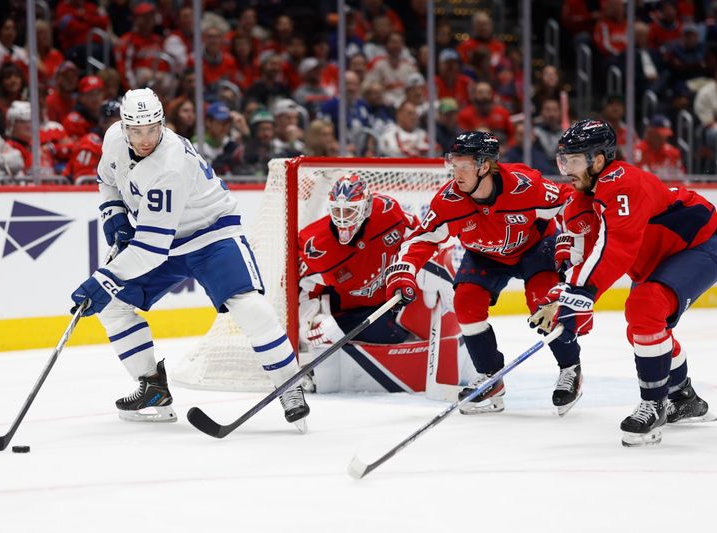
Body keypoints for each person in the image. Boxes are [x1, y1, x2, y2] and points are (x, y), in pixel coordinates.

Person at [69, 88, 310, 429]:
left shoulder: (169, 164)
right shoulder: (113, 139)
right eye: (136, 130)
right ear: (123, 127)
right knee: (112, 307)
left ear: (162, 124)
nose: (144, 138)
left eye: (152, 129)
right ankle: (152, 388)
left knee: (250, 307)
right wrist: (114, 215)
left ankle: (290, 385)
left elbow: (150, 249)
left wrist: (104, 279)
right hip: (163, 239)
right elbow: (106, 180)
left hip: (211, 234)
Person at [530, 119, 717, 447]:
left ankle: (654, 404)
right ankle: (684, 397)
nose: (566, 169)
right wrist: (561, 298)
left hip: (695, 244)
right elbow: (581, 258)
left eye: (574, 160)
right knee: (642, 329)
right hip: (655, 261)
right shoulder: (578, 203)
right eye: (564, 161)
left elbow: (616, 247)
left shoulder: (623, 182)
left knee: (644, 307)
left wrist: (582, 291)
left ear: (600, 159)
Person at [386, 131, 582, 415]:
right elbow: (421, 239)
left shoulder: (525, 186)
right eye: (454, 164)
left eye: (464, 165)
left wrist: (571, 243)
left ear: (485, 166)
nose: (456, 173)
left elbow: (571, 202)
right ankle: (491, 379)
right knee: (465, 303)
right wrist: (404, 273)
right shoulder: (448, 201)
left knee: (544, 303)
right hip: (484, 255)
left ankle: (570, 368)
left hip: (535, 248)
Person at [298, 174, 451, 348]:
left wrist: (435, 266)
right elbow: (305, 289)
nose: (342, 218)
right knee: (392, 334)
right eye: (337, 210)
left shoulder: (387, 212)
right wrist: (307, 322)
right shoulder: (315, 246)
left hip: (395, 299)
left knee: (427, 287)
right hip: (354, 315)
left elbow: (420, 238)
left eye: (349, 210)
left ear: (366, 207)